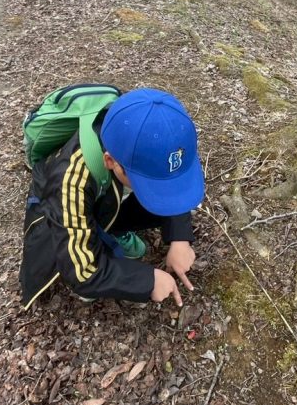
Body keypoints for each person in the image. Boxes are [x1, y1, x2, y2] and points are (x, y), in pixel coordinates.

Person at [19, 88, 205, 309]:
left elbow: (173, 177)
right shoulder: (70, 180)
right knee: (79, 264)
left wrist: (180, 237)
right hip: (60, 207)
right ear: (111, 162)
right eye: (150, 183)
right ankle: (104, 236)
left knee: (144, 198)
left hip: (107, 192)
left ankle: (113, 228)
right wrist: (146, 282)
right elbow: (81, 271)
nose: (164, 189)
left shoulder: (145, 125)